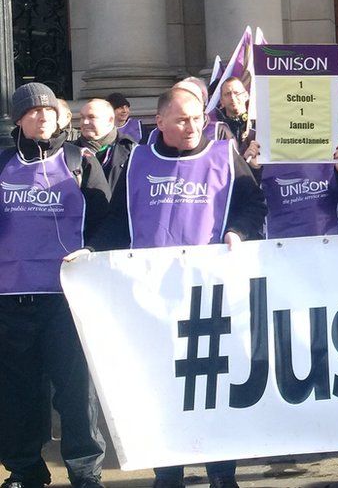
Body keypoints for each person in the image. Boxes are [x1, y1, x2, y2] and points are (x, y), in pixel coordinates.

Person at [86, 87, 267, 488]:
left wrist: (239, 231)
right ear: (161, 121)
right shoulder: (137, 162)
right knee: (161, 387)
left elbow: (254, 205)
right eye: (182, 119)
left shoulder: (223, 155)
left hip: (210, 292)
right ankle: (167, 472)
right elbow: (120, 221)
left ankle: (222, 472)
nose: (192, 126)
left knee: (215, 385)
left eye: (198, 117)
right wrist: (91, 250)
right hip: (151, 296)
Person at [1, 83, 110, 488]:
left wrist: (94, 248)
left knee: (76, 390)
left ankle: (85, 470)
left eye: (49, 109)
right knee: (18, 391)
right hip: (10, 297)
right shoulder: (2, 164)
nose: (43, 115)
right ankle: (24, 468)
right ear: (19, 119)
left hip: (66, 297)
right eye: (33, 111)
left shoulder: (78, 159)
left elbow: (107, 218)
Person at [75, 98, 138, 198]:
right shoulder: (70, 151)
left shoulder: (131, 151)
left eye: (92, 117)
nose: (85, 122)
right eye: (82, 117)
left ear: (110, 120)